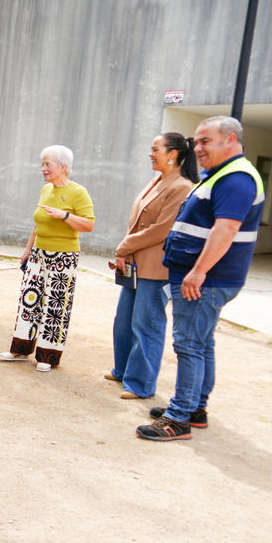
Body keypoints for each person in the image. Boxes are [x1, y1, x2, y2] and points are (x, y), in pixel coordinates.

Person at [137, 116, 265, 441]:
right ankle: (195, 408)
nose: (198, 147)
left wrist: (198, 271)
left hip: (207, 279)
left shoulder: (236, 179)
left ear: (231, 140)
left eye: (206, 140)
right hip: (206, 277)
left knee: (189, 345)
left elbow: (226, 229)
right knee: (202, 343)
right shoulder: (220, 175)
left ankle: (178, 419)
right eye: (196, 140)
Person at [106, 134, 196, 399]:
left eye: (155, 149)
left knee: (147, 325)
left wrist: (124, 247)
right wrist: (125, 252)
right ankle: (122, 370)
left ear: (173, 154)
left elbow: (162, 230)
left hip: (156, 268)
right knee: (124, 321)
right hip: (135, 263)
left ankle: (141, 384)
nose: (150, 153)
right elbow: (137, 222)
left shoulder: (181, 186)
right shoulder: (157, 180)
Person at [0, 145, 95, 371]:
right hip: (38, 254)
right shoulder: (46, 190)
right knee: (29, 300)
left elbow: (89, 224)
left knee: (56, 305)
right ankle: (20, 350)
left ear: (63, 167)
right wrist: (27, 250)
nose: (43, 169)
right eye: (42, 164)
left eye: (47, 164)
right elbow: (39, 222)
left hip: (64, 256)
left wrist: (65, 216)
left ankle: (47, 356)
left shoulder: (78, 192)